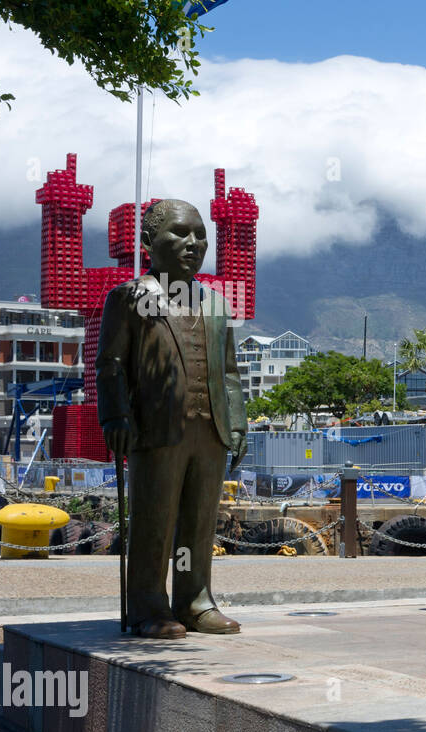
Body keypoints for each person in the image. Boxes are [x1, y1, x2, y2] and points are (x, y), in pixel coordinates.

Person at [97, 199, 247, 637]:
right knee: (154, 520)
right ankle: (147, 605)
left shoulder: (217, 305)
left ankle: (195, 600)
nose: (193, 244)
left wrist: (237, 423)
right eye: (180, 233)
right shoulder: (130, 298)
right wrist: (115, 418)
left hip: (211, 429)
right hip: (156, 429)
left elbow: (231, 372)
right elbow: (111, 365)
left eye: (200, 235)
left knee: (201, 521)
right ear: (147, 242)